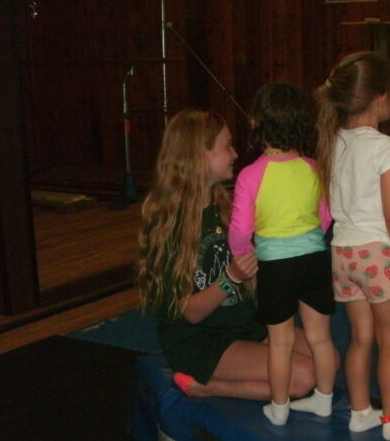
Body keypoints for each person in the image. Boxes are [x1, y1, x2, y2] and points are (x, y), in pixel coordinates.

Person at [136, 108, 317, 401]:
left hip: (243, 324)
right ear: (200, 154)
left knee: (324, 354)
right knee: (303, 376)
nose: (235, 154)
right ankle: (207, 388)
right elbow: (190, 312)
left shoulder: (224, 207)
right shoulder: (170, 224)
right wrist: (231, 277)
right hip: (201, 339)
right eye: (227, 146)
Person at [315, 51, 390, 441]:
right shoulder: (385, 147)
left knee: (360, 338)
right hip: (377, 255)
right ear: (382, 97)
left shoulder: (333, 142)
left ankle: (360, 412)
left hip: (342, 254)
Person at [229, 83, 338, 426]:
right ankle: (324, 400)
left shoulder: (250, 175)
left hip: (275, 265)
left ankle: (279, 407)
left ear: (257, 123)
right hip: (314, 260)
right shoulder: (313, 167)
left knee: (280, 343)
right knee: (320, 337)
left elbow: (240, 230)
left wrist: (244, 257)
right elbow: (326, 215)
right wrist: (310, 240)